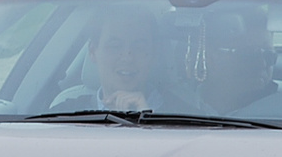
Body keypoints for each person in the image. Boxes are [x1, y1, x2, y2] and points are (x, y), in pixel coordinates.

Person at [52, 6, 184, 113]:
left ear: (153, 53)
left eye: (139, 47)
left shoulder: (186, 118)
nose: (127, 57)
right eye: (115, 46)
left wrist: (148, 119)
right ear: (93, 51)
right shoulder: (62, 116)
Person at [198, 7, 279, 115]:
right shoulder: (184, 108)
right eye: (249, 55)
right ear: (212, 57)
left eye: (268, 54)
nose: (262, 64)